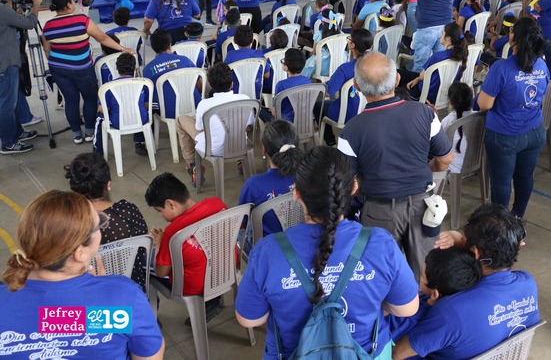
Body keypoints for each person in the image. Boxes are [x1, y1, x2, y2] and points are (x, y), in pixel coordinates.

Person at [235, 146, 420, 359]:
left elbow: (250, 319)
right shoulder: (380, 244)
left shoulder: (268, 251)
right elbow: (406, 309)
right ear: (354, 187)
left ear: (295, 192)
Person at [0, 190, 164, 358]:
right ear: (80, 252)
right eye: (98, 225)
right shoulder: (123, 298)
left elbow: (49, 320)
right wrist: (104, 296)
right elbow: (150, 355)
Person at [338, 52, 453, 278]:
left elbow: (348, 185)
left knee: (380, 275)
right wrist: (421, 171)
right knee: (425, 274)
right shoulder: (424, 113)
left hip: (379, 210)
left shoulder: (350, 131)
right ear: (397, 79)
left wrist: (372, 183)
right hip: (424, 207)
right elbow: (445, 159)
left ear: (357, 87)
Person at [394, 204, 539, 359]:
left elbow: (396, 353)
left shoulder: (452, 310)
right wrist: (458, 239)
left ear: (474, 252)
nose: (459, 240)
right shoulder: (528, 283)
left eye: (463, 239)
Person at [477, 18, 548, 216]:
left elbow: (484, 104)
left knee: (501, 183)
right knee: (525, 178)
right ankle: (517, 218)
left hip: (505, 136)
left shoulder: (501, 68)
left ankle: (501, 224)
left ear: (513, 37)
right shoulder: (542, 65)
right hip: (535, 132)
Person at [43, 0, 131, 144]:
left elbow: (47, 49)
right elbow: (102, 38)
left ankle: (77, 135)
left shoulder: (48, 25)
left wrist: (58, 63)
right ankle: (89, 132)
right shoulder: (82, 20)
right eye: (72, 1)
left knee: (70, 100)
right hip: (82, 68)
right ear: (68, 4)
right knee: (90, 98)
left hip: (58, 68)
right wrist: (123, 49)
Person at [146, 172, 227, 322]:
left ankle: (150, 321)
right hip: (226, 270)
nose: (161, 216)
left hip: (195, 287)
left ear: (171, 204)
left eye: (159, 211)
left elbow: (161, 271)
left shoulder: (172, 233)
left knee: (146, 265)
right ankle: (213, 300)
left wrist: (158, 244)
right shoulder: (217, 204)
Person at [65, 152, 149, 289]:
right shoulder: (128, 212)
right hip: (132, 288)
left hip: (90, 294)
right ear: (108, 185)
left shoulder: (67, 223)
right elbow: (142, 250)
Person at [175, 62, 251, 187]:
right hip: (241, 144)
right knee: (239, 126)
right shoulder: (245, 99)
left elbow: (199, 128)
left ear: (210, 85)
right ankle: (240, 161)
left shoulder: (204, 104)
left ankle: (193, 166)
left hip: (214, 148)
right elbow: (248, 124)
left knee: (180, 120)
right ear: (232, 83)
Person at [238, 119, 303, 252]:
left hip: (267, 249)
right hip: (300, 241)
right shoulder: (308, 176)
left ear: (264, 149)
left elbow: (240, 222)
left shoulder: (254, 185)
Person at [0, 0, 41, 154]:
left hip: (5, 63)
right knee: (6, 105)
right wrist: (36, 5)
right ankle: (8, 142)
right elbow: (29, 23)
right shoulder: (2, 9)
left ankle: (17, 133)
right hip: (6, 63)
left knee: (10, 101)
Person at [319, 28, 372, 145]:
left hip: (348, 114)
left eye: (349, 39)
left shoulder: (345, 69)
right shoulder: (374, 65)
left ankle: (330, 141)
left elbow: (328, 92)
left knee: (318, 105)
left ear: (352, 45)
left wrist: (322, 85)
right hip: (369, 112)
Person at [95, 52, 150, 156]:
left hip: (117, 122)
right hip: (141, 120)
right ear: (134, 68)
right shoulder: (144, 83)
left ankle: (97, 152)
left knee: (100, 116)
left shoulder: (108, 87)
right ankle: (139, 143)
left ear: (116, 68)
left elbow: (103, 109)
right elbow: (146, 105)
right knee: (141, 110)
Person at [399, 22, 468, 104]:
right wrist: (418, 79)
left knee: (399, 83)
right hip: (445, 92)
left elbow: (422, 76)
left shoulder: (437, 56)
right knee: (402, 74)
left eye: (442, 34)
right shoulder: (461, 55)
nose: (440, 36)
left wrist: (418, 79)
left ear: (448, 38)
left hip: (426, 94)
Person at [142, 29, 198, 114]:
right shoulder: (185, 60)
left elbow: (147, 100)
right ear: (170, 45)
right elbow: (199, 82)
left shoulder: (147, 70)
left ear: (153, 48)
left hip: (168, 113)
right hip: (194, 105)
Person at [440, 82, 474, 176]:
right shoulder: (479, 117)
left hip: (453, 169)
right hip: (474, 166)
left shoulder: (448, 121)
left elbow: (435, 144)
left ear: (450, 101)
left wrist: (433, 117)